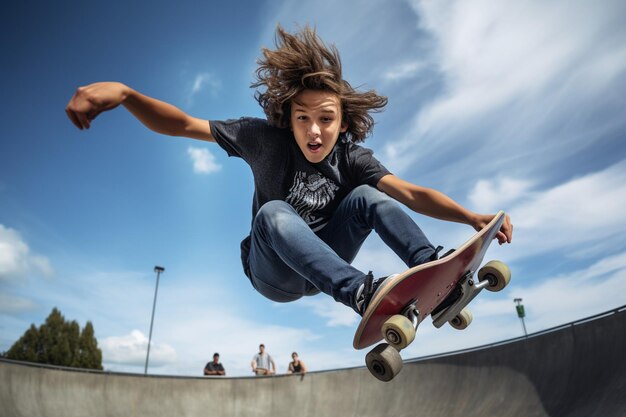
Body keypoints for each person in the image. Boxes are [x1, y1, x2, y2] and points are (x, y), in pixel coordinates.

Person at [65, 25, 513, 317]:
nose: (314, 132)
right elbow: (183, 124)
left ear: (342, 122)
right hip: (273, 274)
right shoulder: (262, 138)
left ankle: (431, 266)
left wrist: (471, 218)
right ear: (288, 117)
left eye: (325, 119)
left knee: (370, 197)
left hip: (321, 272)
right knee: (274, 212)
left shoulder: (353, 159)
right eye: (303, 118)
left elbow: (409, 193)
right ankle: (361, 293)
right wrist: (125, 95)